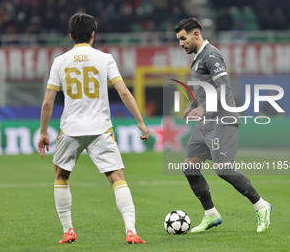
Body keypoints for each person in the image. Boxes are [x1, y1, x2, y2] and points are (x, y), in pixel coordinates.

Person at [37, 13, 149, 244]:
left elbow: (48, 101)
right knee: (117, 177)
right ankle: (131, 230)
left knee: (61, 176)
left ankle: (68, 230)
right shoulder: (105, 58)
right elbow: (123, 92)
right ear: (93, 34)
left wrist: (43, 132)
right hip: (101, 129)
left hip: (70, 129)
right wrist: (140, 121)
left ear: (70, 36)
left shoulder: (60, 61)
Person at [174, 18, 272, 233]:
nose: (181, 43)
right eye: (179, 40)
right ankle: (211, 215)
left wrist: (203, 108)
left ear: (196, 34)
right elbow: (204, 88)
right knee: (190, 167)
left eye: (183, 38)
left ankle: (262, 206)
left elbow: (222, 87)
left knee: (222, 169)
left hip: (222, 119)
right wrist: (193, 105)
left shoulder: (211, 55)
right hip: (206, 121)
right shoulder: (198, 57)